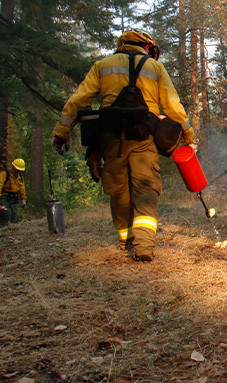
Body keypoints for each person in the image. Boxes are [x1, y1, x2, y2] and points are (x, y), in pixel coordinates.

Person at [51, 29, 196, 262]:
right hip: (144, 139)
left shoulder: (102, 65)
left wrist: (61, 132)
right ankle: (144, 248)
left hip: (111, 140)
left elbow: (79, 100)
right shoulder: (155, 67)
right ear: (146, 46)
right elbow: (172, 105)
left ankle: (125, 239)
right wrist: (188, 134)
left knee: (119, 190)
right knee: (146, 190)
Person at [0, 158, 27, 226]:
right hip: (3, 197)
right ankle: (4, 229)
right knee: (7, 213)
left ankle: (12, 230)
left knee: (14, 214)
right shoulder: (5, 174)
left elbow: (22, 188)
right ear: (13, 167)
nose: (18, 171)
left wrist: (23, 199)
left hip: (13, 198)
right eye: (17, 169)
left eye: (20, 170)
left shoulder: (20, 177)